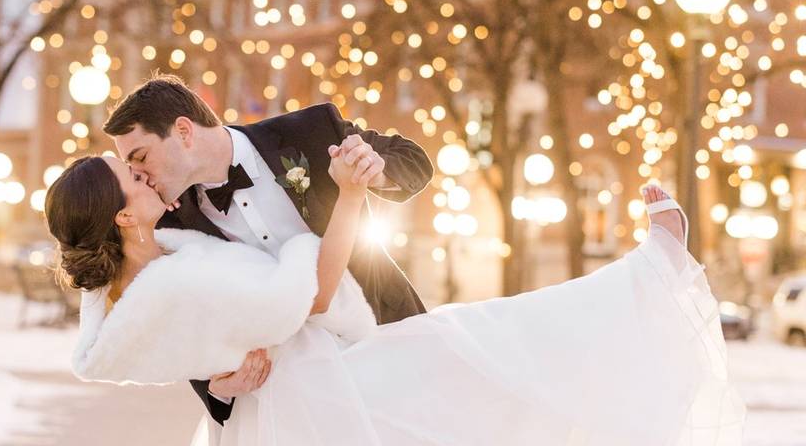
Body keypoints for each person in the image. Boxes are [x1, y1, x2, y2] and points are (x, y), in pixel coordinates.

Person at [47, 149, 745, 445]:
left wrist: (221, 376)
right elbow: (309, 296)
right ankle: (648, 280)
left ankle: (645, 281)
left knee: (486, 358)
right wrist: (337, 207)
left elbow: (191, 342)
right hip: (319, 391)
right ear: (122, 216)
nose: (144, 178)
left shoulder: (129, 292)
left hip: (280, 408)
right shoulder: (180, 274)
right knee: (493, 352)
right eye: (130, 180)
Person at [98, 75, 434, 423]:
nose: (140, 174)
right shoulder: (172, 226)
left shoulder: (311, 130)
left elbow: (414, 160)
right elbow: (194, 324)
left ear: (183, 131)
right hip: (298, 399)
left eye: (141, 157)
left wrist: (373, 171)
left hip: (388, 336)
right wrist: (217, 390)